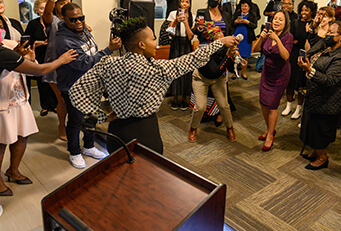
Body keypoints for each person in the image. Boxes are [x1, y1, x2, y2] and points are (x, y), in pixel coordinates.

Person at [70, 17, 239, 154]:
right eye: (153, 39)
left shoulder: (108, 63)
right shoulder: (157, 70)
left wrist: (101, 117)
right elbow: (192, 59)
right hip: (145, 134)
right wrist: (220, 42)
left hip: (116, 132)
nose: (155, 42)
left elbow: (77, 92)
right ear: (142, 45)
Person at [0, 38, 76, 197]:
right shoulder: (2, 51)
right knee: (2, 143)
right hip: (3, 103)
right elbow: (39, 70)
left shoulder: (7, 45)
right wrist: (61, 60)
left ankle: (13, 170)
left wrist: (30, 58)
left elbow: (23, 66)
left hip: (19, 97)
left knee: (22, 136)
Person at [56, 3, 122, 169]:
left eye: (81, 18)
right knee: (76, 120)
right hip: (73, 87)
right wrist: (109, 50)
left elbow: (92, 51)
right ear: (64, 19)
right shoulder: (64, 40)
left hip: (90, 85)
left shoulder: (82, 30)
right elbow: (83, 64)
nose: (79, 22)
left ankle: (89, 146)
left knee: (91, 117)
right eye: (73, 20)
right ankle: (74, 152)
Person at [298, 21, 341, 170]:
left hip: (328, 99)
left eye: (332, 33)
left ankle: (322, 158)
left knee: (320, 129)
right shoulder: (326, 45)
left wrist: (309, 69)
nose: (328, 35)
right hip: (315, 94)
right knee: (311, 126)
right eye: (328, 32)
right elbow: (311, 52)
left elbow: (330, 80)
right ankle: (315, 151)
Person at [188, 27, 238, 143]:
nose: (223, 43)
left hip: (218, 79)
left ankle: (230, 127)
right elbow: (214, 71)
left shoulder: (226, 48)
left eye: (224, 40)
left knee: (224, 105)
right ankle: (193, 128)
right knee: (200, 107)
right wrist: (228, 56)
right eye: (220, 41)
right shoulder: (204, 51)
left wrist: (233, 56)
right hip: (201, 79)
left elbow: (230, 69)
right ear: (211, 42)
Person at [252, 10, 293, 151]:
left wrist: (276, 39)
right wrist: (261, 38)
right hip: (266, 73)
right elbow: (255, 49)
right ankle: (270, 129)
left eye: (280, 19)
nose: (276, 21)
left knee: (272, 105)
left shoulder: (288, 37)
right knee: (263, 103)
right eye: (275, 19)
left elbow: (285, 56)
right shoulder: (267, 34)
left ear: (286, 22)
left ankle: (270, 135)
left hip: (280, 75)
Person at [43, 0, 73, 141]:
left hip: (71, 65)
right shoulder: (53, 20)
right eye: (61, 3)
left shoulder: (72, 21)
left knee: (70, 99)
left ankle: (72, 124)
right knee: (61, 99)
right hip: (55, 65)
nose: (64, 6)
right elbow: (47, 13)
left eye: (67, 2)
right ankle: (62, 126)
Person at [283, 0, 317, 119]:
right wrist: (297, 41)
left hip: (306, 56)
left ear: (312, 11)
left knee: (302, 83)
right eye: (302, 10)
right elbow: (290, 39)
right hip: (293, 55)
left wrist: (301, 40)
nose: (304, 12)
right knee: (290, 81)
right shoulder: (295, 23)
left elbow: (312, 41)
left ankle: (298, 108)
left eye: (306, 10)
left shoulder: (314, 25)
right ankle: (288, 106)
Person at [24, 0, 58, 116]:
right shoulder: (33, 24)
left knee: (53, 81)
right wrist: (37, 43)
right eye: (41, 8)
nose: (44, 10)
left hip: (52, 56)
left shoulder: (55, 23)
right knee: (42, 82)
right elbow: (26, 40)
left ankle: (54, 105)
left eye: (46, 7)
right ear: (37, 10)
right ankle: (45, 106)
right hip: (39, 55)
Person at [164, 0, 195, 111]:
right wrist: (176, 20)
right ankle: (175, 98)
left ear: (190, 4)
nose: (185, 4)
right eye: (183, 1)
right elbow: (169, 31)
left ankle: (184, 99)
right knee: (175, 71)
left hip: (186, 46)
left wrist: (186, 22)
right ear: (180, 3)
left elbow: (190, 36)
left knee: (186, 72)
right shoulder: (173, 14)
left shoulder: (193, 16)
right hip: (175, 44)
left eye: (187, 2)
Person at [231, 0, 257, 80]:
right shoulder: (237, 13)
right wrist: (235, 22)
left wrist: (247, 22)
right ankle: (234, 72)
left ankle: (243, 73)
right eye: (242, 6)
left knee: (245, 56)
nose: (244, 8)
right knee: (234, 55)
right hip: (236, 36)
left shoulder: (252, 15)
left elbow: (254, 25)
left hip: (247, 38)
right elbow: (231, 23)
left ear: (249, 7)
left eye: (245, 6)